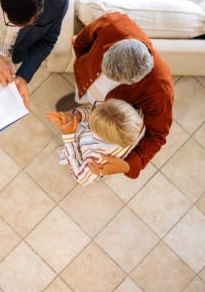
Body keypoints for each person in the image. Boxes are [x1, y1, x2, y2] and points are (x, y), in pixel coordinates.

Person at [55, 12, 174, 179]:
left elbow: (158, 135)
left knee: (92, 115)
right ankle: (80, 99)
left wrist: (127, 165)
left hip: (107, 110)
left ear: (137, 79)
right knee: (82, 99)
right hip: (87, 86)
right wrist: (82, 63)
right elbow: (83, 40)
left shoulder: (160, 89)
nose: (105, 78)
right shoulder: (113, 24)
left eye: (115, 80)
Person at [46, 99, 145, 186]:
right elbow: (96, 114)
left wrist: (69, 138)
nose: (94, 109)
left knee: (72, 155)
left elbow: (80, 178)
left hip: (91, 163)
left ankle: (69, 153)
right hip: (96, 142)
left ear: (98, 133)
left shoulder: (96, 158)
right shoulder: (135, 119)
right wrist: (77, 117)